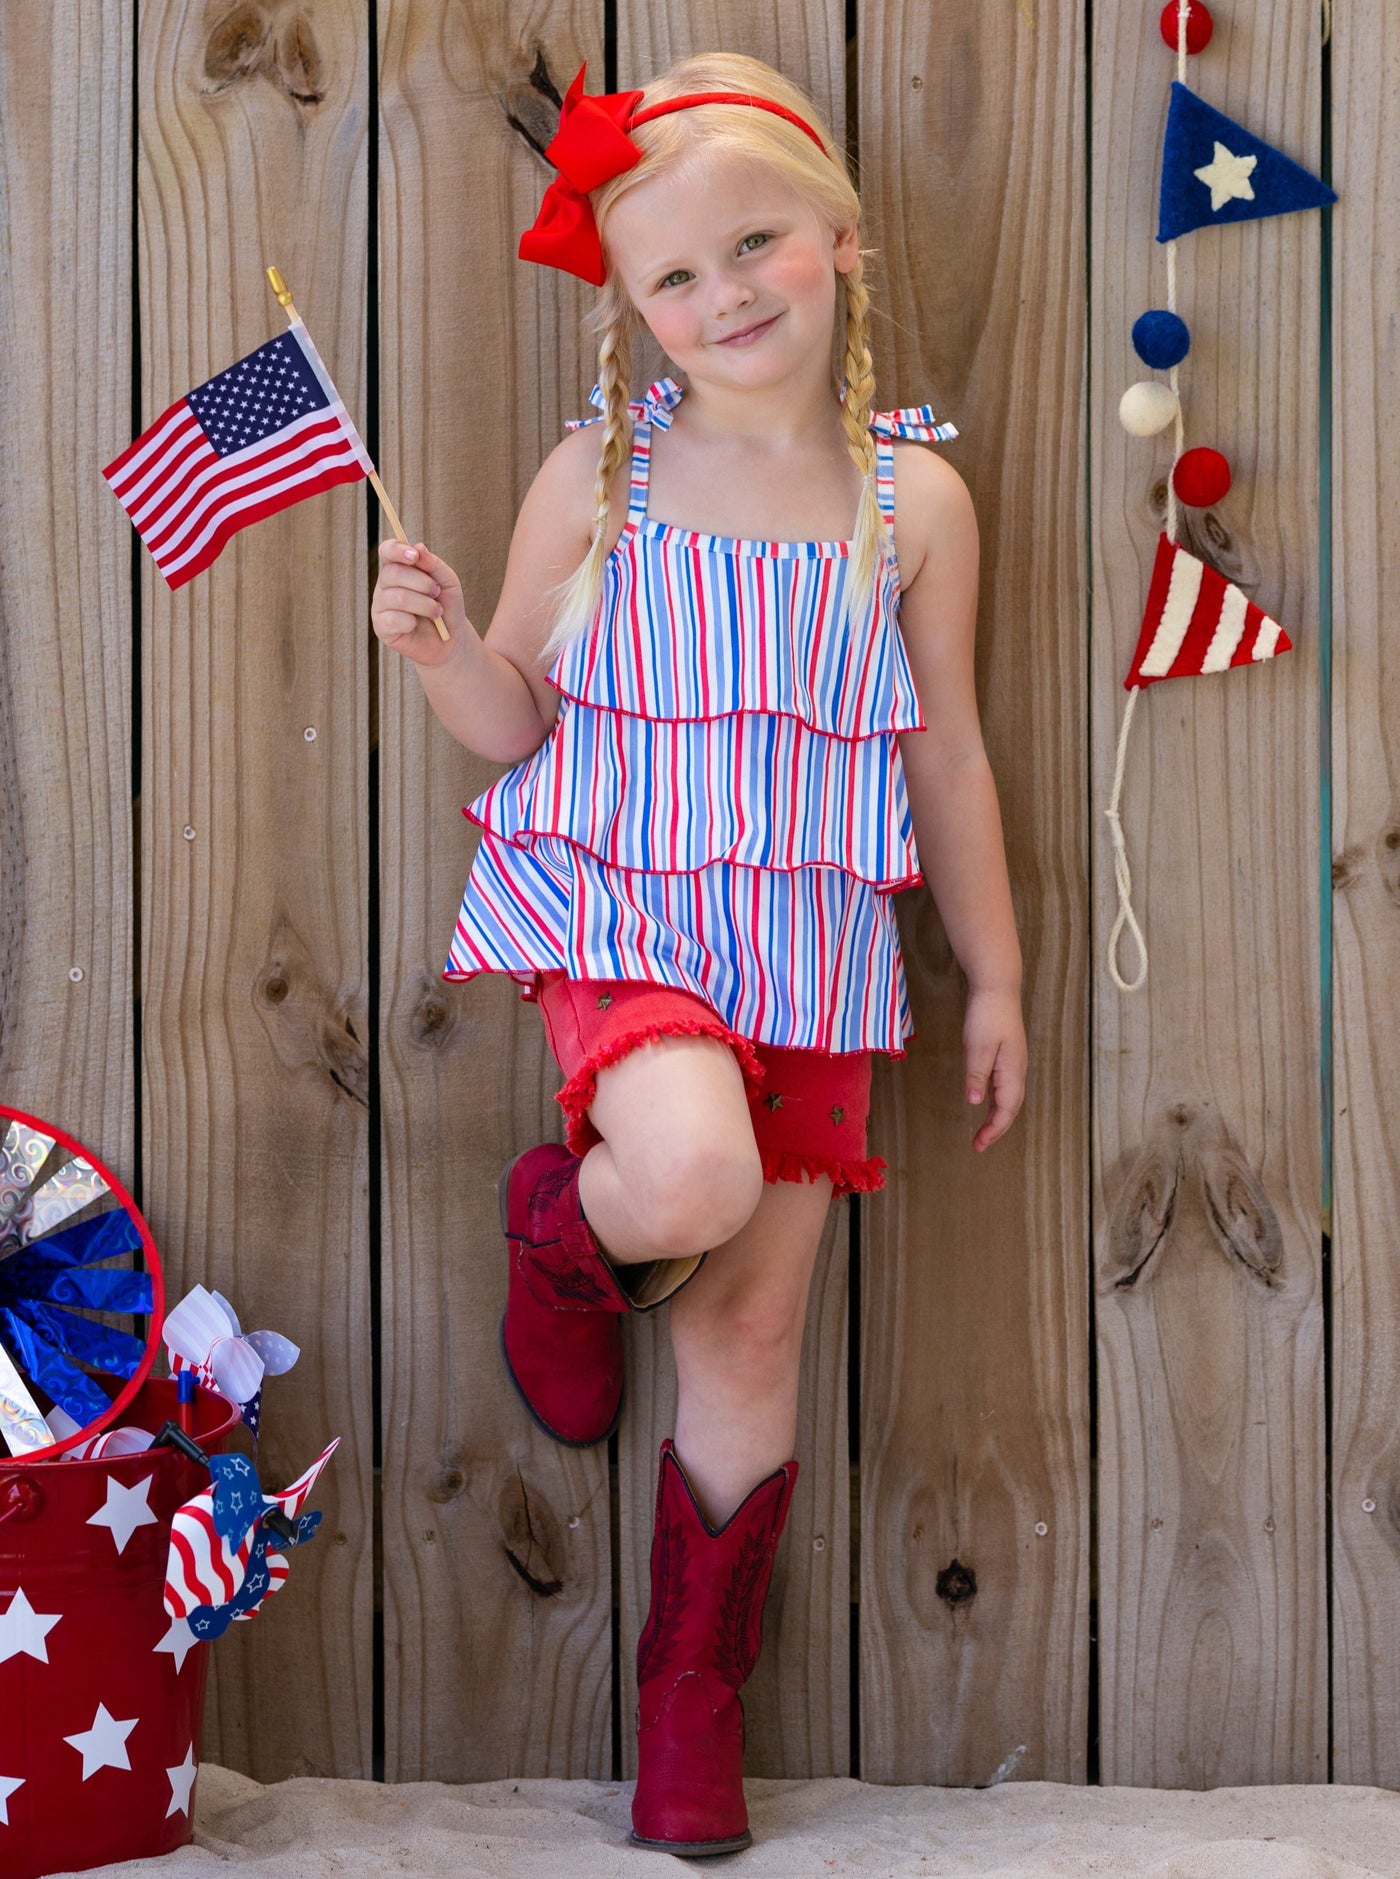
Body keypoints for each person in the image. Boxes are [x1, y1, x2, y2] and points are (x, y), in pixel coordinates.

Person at [371, 52, 1026, 1856]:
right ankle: (563, 1234)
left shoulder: (916, 509)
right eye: (676, 273)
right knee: (686, 1170)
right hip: (635, 915)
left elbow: (946, 754)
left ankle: (690, 1707)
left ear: (840, 240)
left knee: (749, 1337)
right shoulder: (605, 470)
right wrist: (437, 651)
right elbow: (512, 717)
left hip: (814, 945)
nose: (726, 293)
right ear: (634, 305)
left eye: (759, 244)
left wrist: (998, 977)